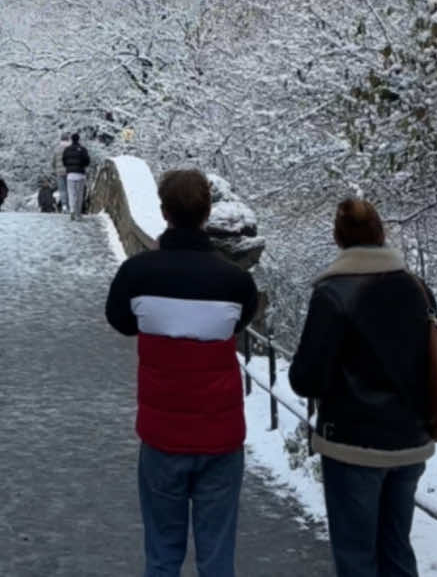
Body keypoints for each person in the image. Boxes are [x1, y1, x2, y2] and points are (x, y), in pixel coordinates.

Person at [105, 167, 258, 577]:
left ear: (163, 211)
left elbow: (120, 321)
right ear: (208, 213)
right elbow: (239, 323)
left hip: (161, 435)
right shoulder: (235, 282)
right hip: (221, 436)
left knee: (162, 555)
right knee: (217, 559)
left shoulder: (137, 275)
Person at [288, 197, 433, 577]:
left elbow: (306, 378)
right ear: (380, 233)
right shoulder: (416, 288)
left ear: (338, 238)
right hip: (409, 439)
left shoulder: (333, 293)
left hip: (353, 443)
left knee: (356, 556)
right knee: (397, 549)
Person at [61, 132, 90, 220]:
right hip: (80, 174)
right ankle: (78, 213)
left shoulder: (67, 150)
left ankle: (72, 210)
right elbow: (87, 161)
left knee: (71, 193)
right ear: (79, 139)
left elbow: (64, 161)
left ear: (71, 140)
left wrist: (69, 168)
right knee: (79, 194)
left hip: (70, 175)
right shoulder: (83, 149)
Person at [54, 132, 71, 214]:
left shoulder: (57, 149)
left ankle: (64, 206)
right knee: (69, 189)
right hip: (69, 171)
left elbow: (53, 162)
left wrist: (56, 168)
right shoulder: (71, 148)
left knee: (62, 190)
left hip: (59, 172)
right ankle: (70, 206)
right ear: (68, 139)